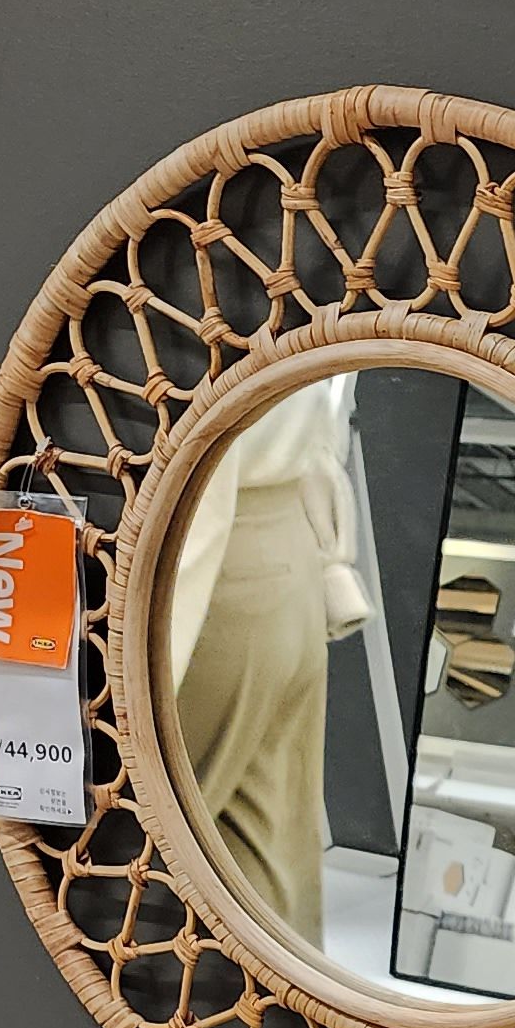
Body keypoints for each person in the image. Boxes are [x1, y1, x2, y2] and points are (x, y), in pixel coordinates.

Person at [168, 378, 370, 933]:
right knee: (261, 861)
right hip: (286, 547)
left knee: (138, 846)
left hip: (215, 565)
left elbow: (200, 439)